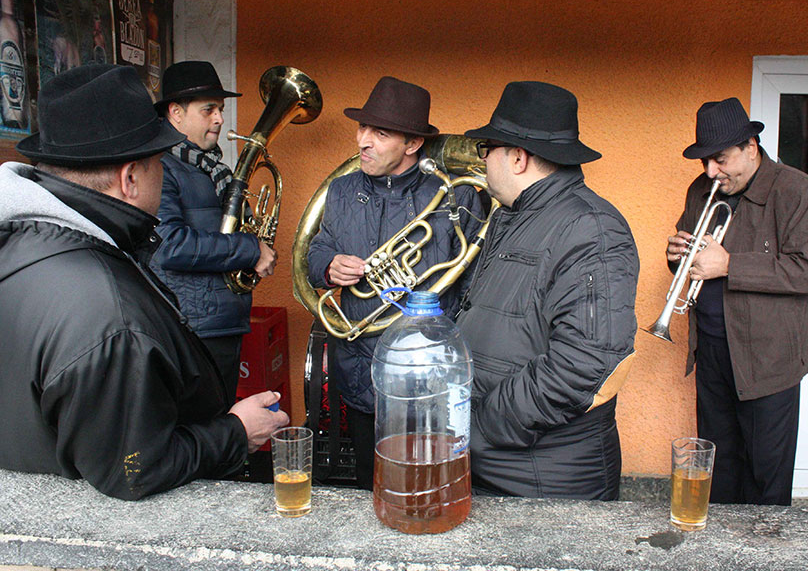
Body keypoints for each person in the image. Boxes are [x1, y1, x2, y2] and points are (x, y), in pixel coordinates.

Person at [0, 65, 288, 501]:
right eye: (157, 160)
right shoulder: (110, 313)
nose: (164, 168)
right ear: (130, 178)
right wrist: (236, 431)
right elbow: (134, 471)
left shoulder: (18, 243)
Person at [457, 81, 639, 500]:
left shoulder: (592, 230)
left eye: (487, 151)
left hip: (543, 480)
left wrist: (477, 426)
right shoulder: (513, 217)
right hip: (500, 465)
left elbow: (584, 365)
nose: (483, 163)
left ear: (518, 157)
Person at [306, 76, 483, 489]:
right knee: (375, 481)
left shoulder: (455, 197)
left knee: (432, 480)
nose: (363, 141)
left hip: (430, 371)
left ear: (413, 144)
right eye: (362, 128)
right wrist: (328, 266)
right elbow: (318, 249)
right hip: (360, 364)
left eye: (380, 133)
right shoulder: (341, 190)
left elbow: (474, 282)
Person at [665, 97, 808, 505]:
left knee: (765, 474)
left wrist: (730, 265)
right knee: (718, 468)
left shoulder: (799, 192)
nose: (710, 172)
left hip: (769, 358)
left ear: (751, 148)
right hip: (713, 350)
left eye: (720, 159)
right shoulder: (701, 189)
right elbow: (697, 262)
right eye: (705, 161)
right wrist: (678, 258)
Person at [150, 61, 277, 404]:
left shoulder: (210, 168)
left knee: (220, 423)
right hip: (191, 327)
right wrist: (251, 249)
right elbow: (170, 247)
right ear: (175, 113)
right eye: (209, 110)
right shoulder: (161, 167)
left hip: (219, 322)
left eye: (219, 109)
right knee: (206, 430)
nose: (220, 119)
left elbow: (234, 231)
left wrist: (255, 242)